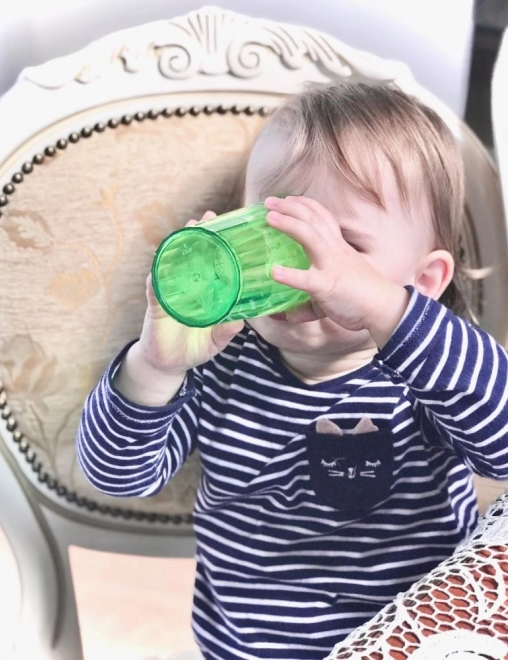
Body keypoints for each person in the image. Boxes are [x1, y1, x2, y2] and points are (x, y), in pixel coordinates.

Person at [76, 82, 508, 659]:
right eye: (273, 231)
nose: (298, 268)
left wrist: (385, 310)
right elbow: (117, 475)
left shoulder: (432, 369)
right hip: (247, 648)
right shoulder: (219, 363)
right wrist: (154, 368)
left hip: (411, 643)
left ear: (422, 281)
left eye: (344, 245)